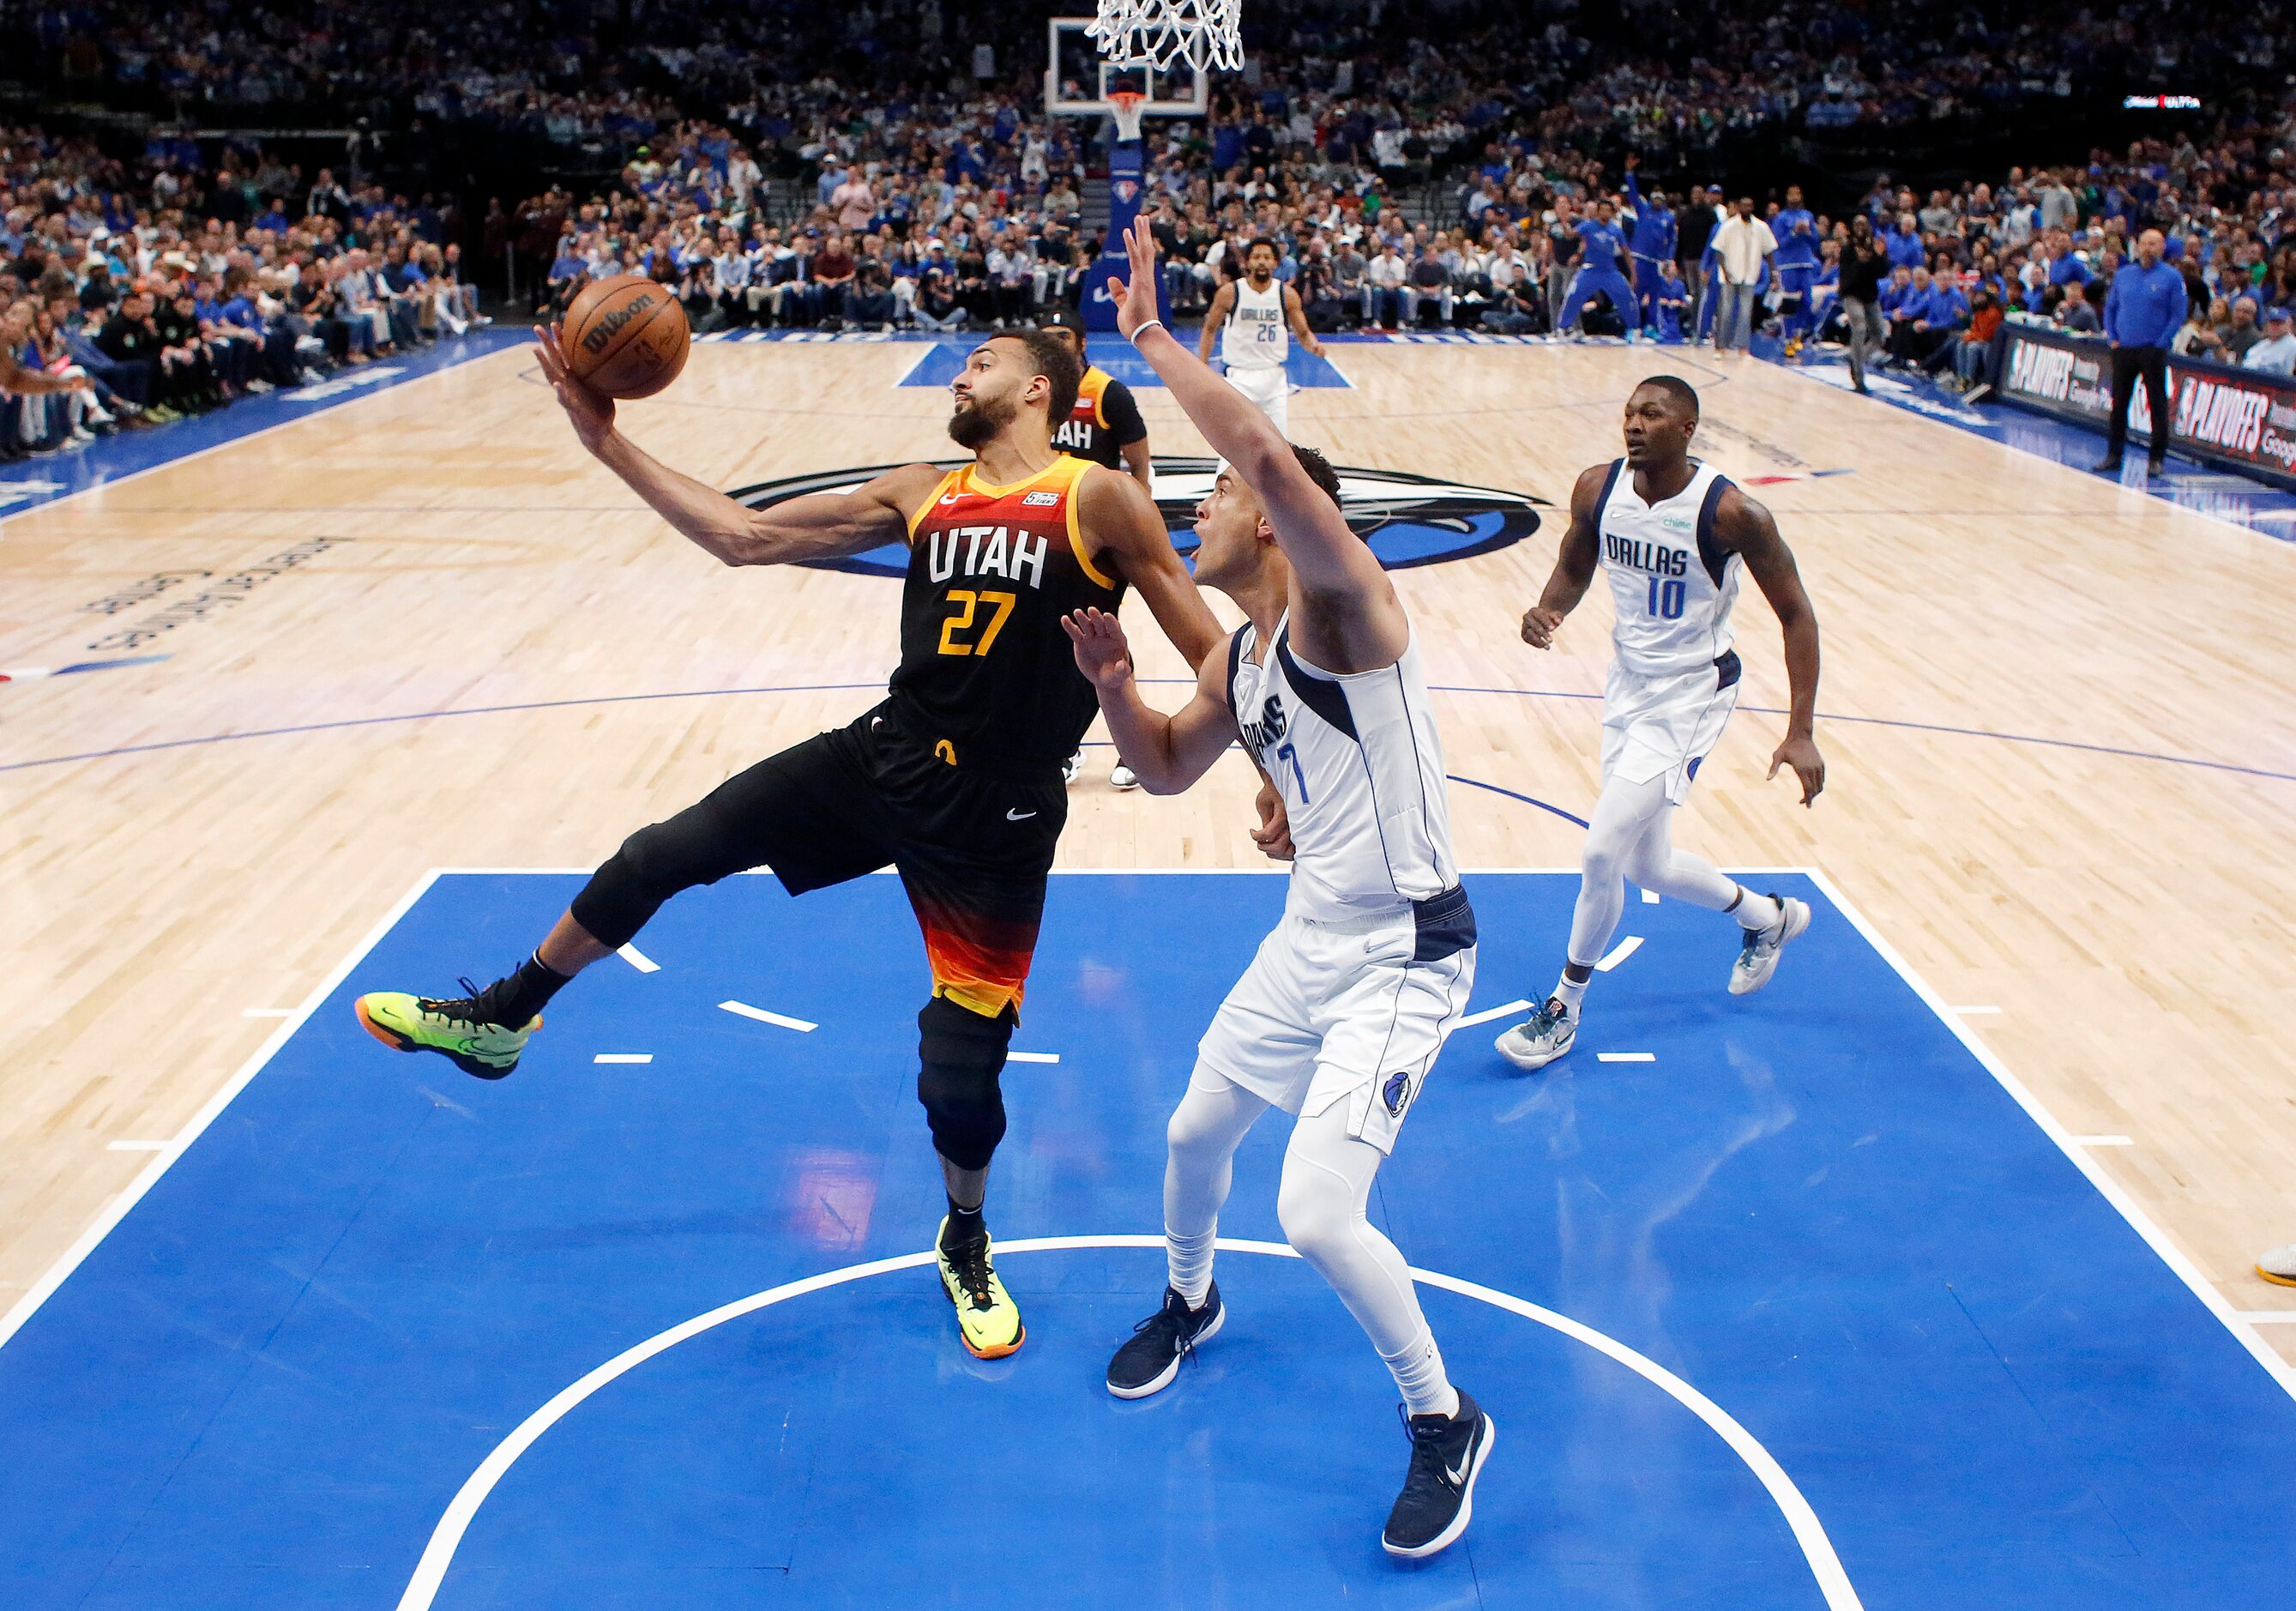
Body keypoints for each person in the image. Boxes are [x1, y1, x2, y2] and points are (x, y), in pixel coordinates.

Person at [353, 325, 1246, 1362]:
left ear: (1037, 387)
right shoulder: (922, 490)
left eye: (982, 363)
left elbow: (1212, 652)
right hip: (882, 756)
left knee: (958, 1082)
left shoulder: (1096, 498)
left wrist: (1273, 767)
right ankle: (501, 1020)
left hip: (995, 816)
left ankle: (963, 1234)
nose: (960, 374)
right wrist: (606, 444)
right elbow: (742, 536)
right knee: (658, 854)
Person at [1070, 221, 1492, 1560]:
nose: (1195, 508)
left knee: (1313, 1206)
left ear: (1271, 513)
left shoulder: (1345, 608)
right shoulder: (1247, 656)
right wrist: (1111, 691)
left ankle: (1443, 1416)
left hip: (1408, 950)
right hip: (1311, 936)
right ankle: (1190, 1300)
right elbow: (1165, 769)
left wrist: (1144, 335)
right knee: (1196, 1131)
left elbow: (1256, 447)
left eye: (1210, 498)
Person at [1497, 377, 1825, 1071]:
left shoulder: (1734, 513)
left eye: (1651, 414)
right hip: (1628, 688)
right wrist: (1547, 609)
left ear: (1687, 428)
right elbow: (1573, 563)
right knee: (1648, 862)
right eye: (1627, 413)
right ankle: (1768, 919)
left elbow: (1796, 615)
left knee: (1600, 852)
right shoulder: (1596, 488)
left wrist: (1800, 730)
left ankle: (1562, 1008)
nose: (1633, 424)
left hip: (1691, 695)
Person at [1040, 308, 1154, 794]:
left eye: (1062, 336)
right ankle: (1064, 747)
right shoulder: (1036, 395)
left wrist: (1139, 520)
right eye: (1045, 338)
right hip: (1047, 526)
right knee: (1051, 641)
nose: (1055, 344)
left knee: (1104, 639)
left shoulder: (1108, 392)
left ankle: (1135, 748)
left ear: (1082, 342)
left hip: (1099, 533)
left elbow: (1139, 462)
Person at [1199, 238, 1323, 437]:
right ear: (1246, 262)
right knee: (1236, 444)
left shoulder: (1287, 294)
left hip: (1273, 377)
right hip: (1239, 376)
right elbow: (1210, 329)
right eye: (1256, 257)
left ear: (1275, 263)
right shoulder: (1230, 292)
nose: (1262, 261)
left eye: (1267, 257)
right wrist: (1202, 365)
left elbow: (1303, 333)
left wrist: (1313, 345)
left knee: (1279, 445)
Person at [2094, 229, 2185, 475]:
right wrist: (2112, 338)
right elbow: (2111, 308)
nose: (2148, 248)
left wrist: (2162, 341)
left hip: (2152, 350)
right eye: (2144, 244)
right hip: (2123, 349)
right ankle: (2114, 454)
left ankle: (2156, 458)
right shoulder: (2123, 275)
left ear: (2162, 247)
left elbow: (2178, 314)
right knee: (2119, 403)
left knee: (2156, 403)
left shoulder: (2172, 277)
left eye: (2154, 244)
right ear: (2138, 247)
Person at [1561, 196, 1638, 341]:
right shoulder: (1588, 225)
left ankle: (1633, 329)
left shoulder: (1616, 230)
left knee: (1627, 296)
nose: (1605, 213)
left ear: (1612, 213)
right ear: (1598, 211)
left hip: (1609, 271)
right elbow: (1570, 235)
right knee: (1573, 295)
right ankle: (1563, 328)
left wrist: (1633, 274)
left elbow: (1626, 253)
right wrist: (1565, 223)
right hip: (1590, 270)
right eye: (1602, 210)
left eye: (1608, 210)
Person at [1709, 198, 1775, 353]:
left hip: (1750, 275)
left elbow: (1769, 251)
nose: (1747, 208)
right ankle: (1721, 346)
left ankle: (1742, 346)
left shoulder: (1761, 227)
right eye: (1744, 205)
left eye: (1750, 205)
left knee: (1746, 312)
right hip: (1729, 275)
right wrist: (1724, 271)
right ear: (1739, 207)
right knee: (1725, 312)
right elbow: (1718, 250)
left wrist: (1774, 272)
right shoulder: (1728, 226)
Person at [1838, 215, 1889, 394]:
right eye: (1857, 224)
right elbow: (1848, 278)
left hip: (1870, 296)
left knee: (1879, 337)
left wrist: (1880, 257)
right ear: (1852, 228)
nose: (1860, 227)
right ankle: (1859, 378)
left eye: (1863, 224)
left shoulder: (1875, 246)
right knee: (1859, 329)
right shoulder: (1847, 249)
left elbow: (1882, 273)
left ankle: (1856, 358)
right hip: (1851, 294)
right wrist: (1861, 262)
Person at [2244, 306, 2296, 376]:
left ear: (2288, 324)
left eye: (2279, 323)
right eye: (2272, 323)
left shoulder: (2293, 345)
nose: (2275, 326)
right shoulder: (2260, 345)